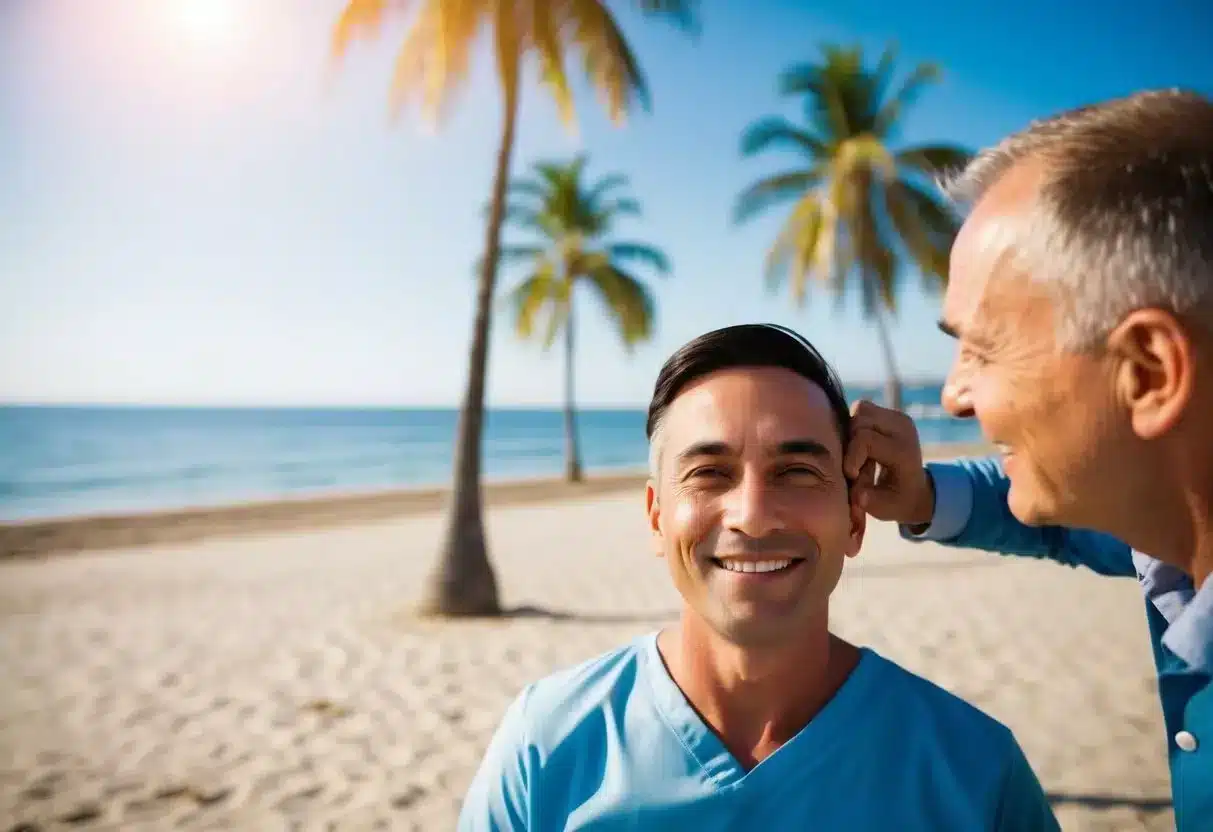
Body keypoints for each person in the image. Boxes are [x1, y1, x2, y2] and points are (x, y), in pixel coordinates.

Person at [458, 324, 1058, 831]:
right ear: (656, 517)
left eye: (797, 471)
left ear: (855, 518)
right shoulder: (548, 743)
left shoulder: (975, 770)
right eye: (710, 473)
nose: (752, 514)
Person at [845, 89, 1213, 831]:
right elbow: (1064, 528)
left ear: (1147, 373)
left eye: (980, 349)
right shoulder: (1170, 541)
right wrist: (919, 495)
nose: (952, 395)